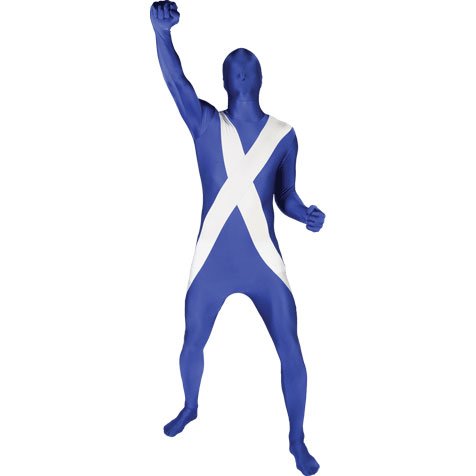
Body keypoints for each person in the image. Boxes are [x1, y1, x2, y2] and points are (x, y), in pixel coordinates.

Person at [150, 2, 325, 474]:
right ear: (225, 80)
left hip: (264, 261)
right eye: (234, 64)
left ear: (261, 77)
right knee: (192, 339)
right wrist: (161, 35)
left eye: (249, 64)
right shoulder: (206, 123)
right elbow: (176, 82)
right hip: (212, 257)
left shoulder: (284, 135)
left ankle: (297, 438)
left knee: (291, 347)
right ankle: (190, 407)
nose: (242, 67)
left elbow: (284, 195)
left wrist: (304, 213)